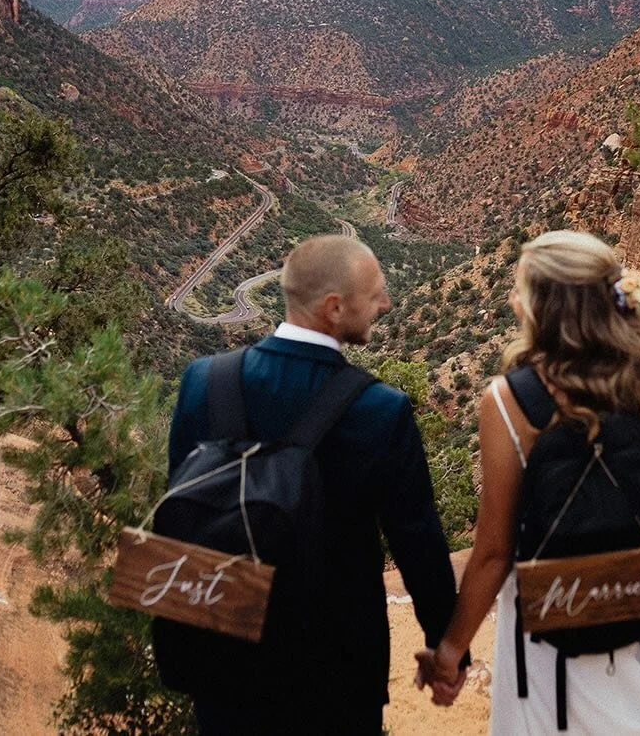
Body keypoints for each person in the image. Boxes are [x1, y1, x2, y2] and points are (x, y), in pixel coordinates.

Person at [415, 229, 640, 733]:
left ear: (547, 307)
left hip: (545, 633)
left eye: (520, 288)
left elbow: (494, 551)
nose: (510, 299)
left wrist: (451, 651)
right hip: (635, 614)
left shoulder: (507, 402)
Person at [166, 234, 461, 734]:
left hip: (222, 658)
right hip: (336, 674)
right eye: (377, 294)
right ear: (334, 308)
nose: (387, 304)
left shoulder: (203, 380)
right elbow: (419, 544)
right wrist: (448, 649)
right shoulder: (379, 410)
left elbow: (179, 505)